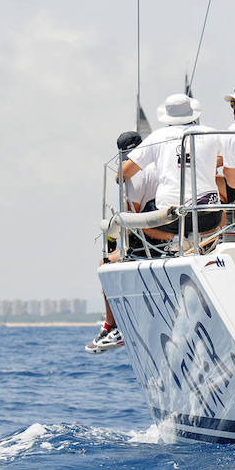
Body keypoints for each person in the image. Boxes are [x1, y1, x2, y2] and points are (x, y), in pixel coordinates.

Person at [86, 131, 161, 354]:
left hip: (149, 240)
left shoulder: (134, 174)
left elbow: (133, 213)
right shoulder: (159, 165)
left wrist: (113, 236)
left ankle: (112, 325)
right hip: (173, 235)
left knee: (105, 264)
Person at [120, 93, 223, 240]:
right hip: (209, 218)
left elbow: (124, 172)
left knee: (143, 217)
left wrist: (119, 176)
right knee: (221, 207)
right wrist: (202, 162)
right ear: (192, 113)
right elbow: (230, 159)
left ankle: (177, 241)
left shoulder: (158, 136)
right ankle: (203, 239)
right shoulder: (213, 133)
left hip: (171, 218)